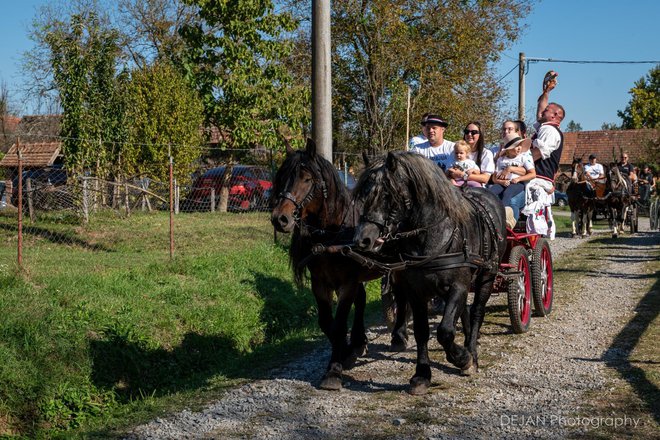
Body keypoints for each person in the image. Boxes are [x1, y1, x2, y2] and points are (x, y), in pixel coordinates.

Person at [508, 72, 565, 239]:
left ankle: (510, 229)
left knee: (517, 203)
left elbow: (538, 153)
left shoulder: (550, 131)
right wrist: (546, 92)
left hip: (538, 179)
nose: (541, 112)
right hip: (531, 177)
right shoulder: (544, 127)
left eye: (547, 110)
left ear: (555, 116)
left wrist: (516, 162)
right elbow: (541, 107)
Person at [489, 133, 535, 217]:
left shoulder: (522, 158)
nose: (519, 148)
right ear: (508, 149)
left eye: (520, 145)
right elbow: (494, 177)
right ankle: (488, 213)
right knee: (491, 192)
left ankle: (502, 215)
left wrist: (519, 179)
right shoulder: (501, 160)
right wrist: (501, 182)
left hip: (517, 183)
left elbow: (533, 174)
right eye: (516, 146)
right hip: (502, 183)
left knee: (507, 193)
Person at [445, 121, 494, 186]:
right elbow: (447, 173)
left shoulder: (486, 153)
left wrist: (462, 175)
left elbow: (485, 178)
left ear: (480, 135)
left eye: (474, 132)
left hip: (476, 188)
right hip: (456, 185)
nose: (469, 134)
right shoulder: (455, 152)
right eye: (467, 132)